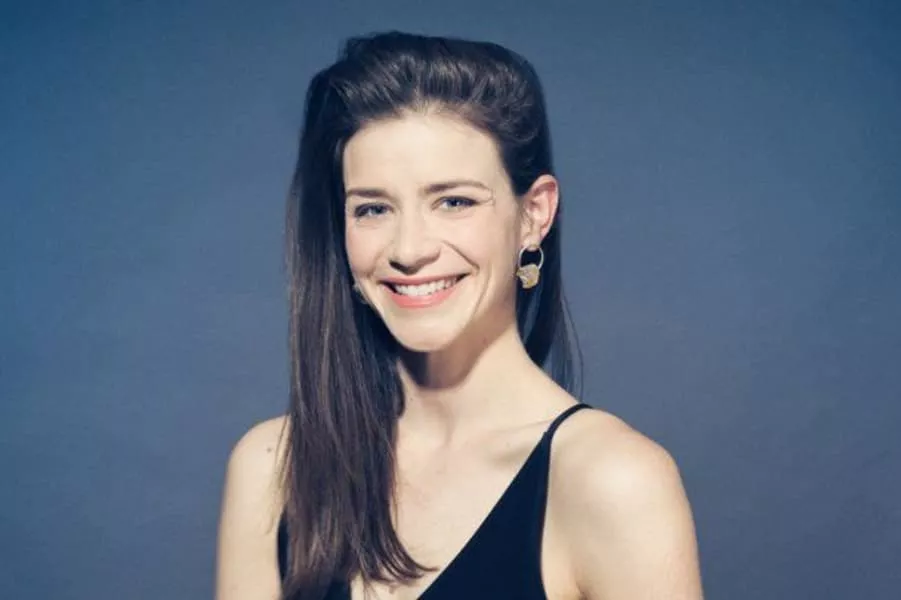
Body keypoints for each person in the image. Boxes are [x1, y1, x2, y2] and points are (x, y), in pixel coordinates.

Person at [216, 31, 703, 600]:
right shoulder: (273, 468)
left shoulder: (614, 481)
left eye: (454, 202)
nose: (409, 249)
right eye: (373, 209)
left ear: (534, 214)